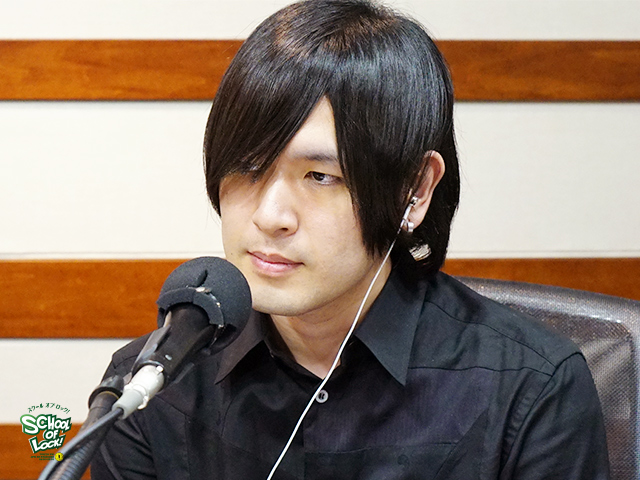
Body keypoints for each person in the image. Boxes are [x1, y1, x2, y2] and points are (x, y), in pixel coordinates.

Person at [92, 1, 610, 478]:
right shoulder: (144, 392)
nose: (270, 217)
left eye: (320, 176)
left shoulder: (531, 388)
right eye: (247, 168)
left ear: (415, 189)